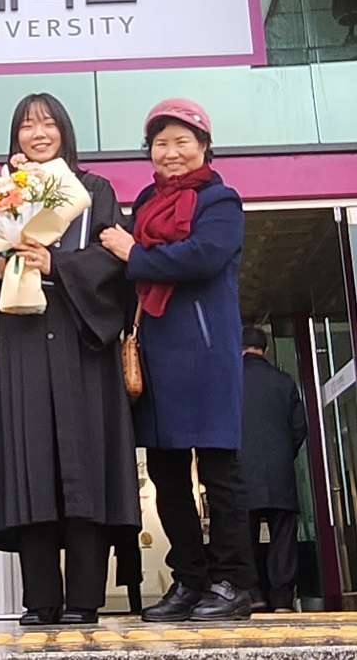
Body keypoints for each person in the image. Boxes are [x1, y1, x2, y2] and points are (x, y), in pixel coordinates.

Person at [0, 93, 141, 626]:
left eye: (47, 123)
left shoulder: (93, 191)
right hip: (24, 343)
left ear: (64, 130)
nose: (38, 133)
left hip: (83, 345)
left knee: (87, 467)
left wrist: (54, 263)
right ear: (15, 137)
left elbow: (112, 259)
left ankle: (84, 599)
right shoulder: (2, 194)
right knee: (30, 465)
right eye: (26, 125)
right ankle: (40, 599)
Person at [100, 98, 256, 622]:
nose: (170, 152)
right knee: (167, 475)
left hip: (206, 355)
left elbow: (202, 257)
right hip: (155, 353)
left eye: (181, 141)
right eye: (160, 143)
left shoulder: (220, 200)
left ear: (204, 146)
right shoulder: (146, 202)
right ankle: (189, 580)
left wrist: (134, 253)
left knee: (220, 471)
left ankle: (233, 582)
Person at [241, 325, 307, 612]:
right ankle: (282, 598)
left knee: (243, 534)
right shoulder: (284, 381)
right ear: (265, 350)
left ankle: (253, 593)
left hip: (241, 469)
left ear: (238, 349)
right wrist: (284, 454)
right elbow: (299, 427)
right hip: (279, 470)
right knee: (283, 535)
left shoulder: (230, 381)